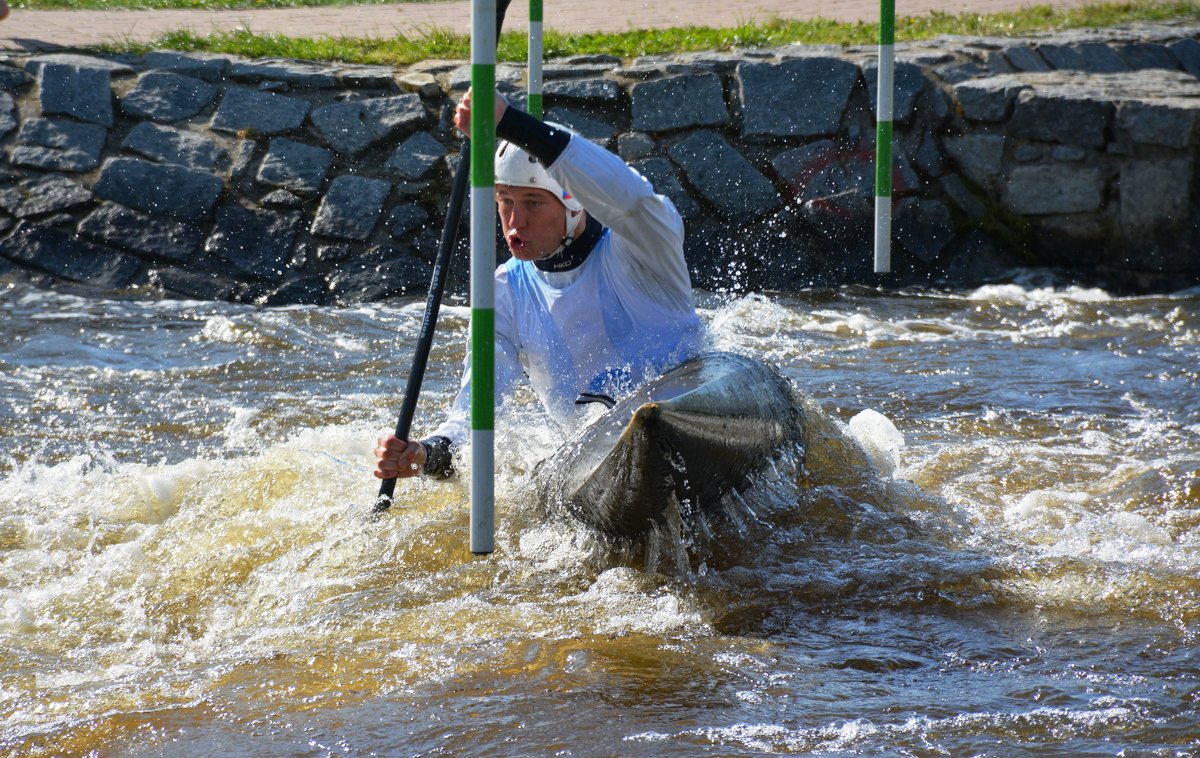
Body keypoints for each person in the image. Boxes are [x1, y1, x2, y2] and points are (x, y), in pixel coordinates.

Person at [373, 91, 704, 481]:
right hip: (598, 459)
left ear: (575, 205)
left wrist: (510, 123)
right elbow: (474, 419)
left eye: (533, 203)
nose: (515, 222)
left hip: (690, 421)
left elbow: (630, 198)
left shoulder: (643, 246)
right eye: (505, 201)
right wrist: (424, 454)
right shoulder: (503, 292)